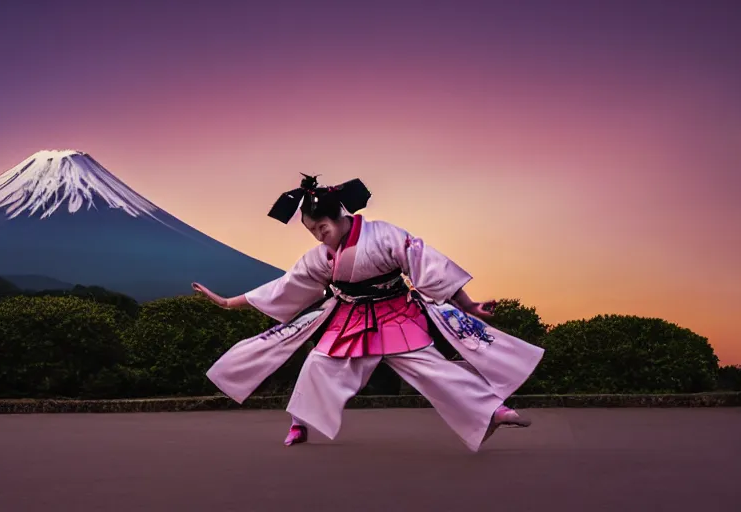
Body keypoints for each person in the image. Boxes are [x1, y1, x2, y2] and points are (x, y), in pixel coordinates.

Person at [192, 174, 544, 452]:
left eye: (322, 228)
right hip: (349, 319)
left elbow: (429, 266)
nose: (319, 237)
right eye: (313, 231)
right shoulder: (320, 257)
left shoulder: (385, 235)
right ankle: (299, 423)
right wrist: (227, 302)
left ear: (340, 216)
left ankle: (492, 412)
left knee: (432, 368)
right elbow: (285, 287)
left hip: (396, 314)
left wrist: (468, 305)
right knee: (317, 366)